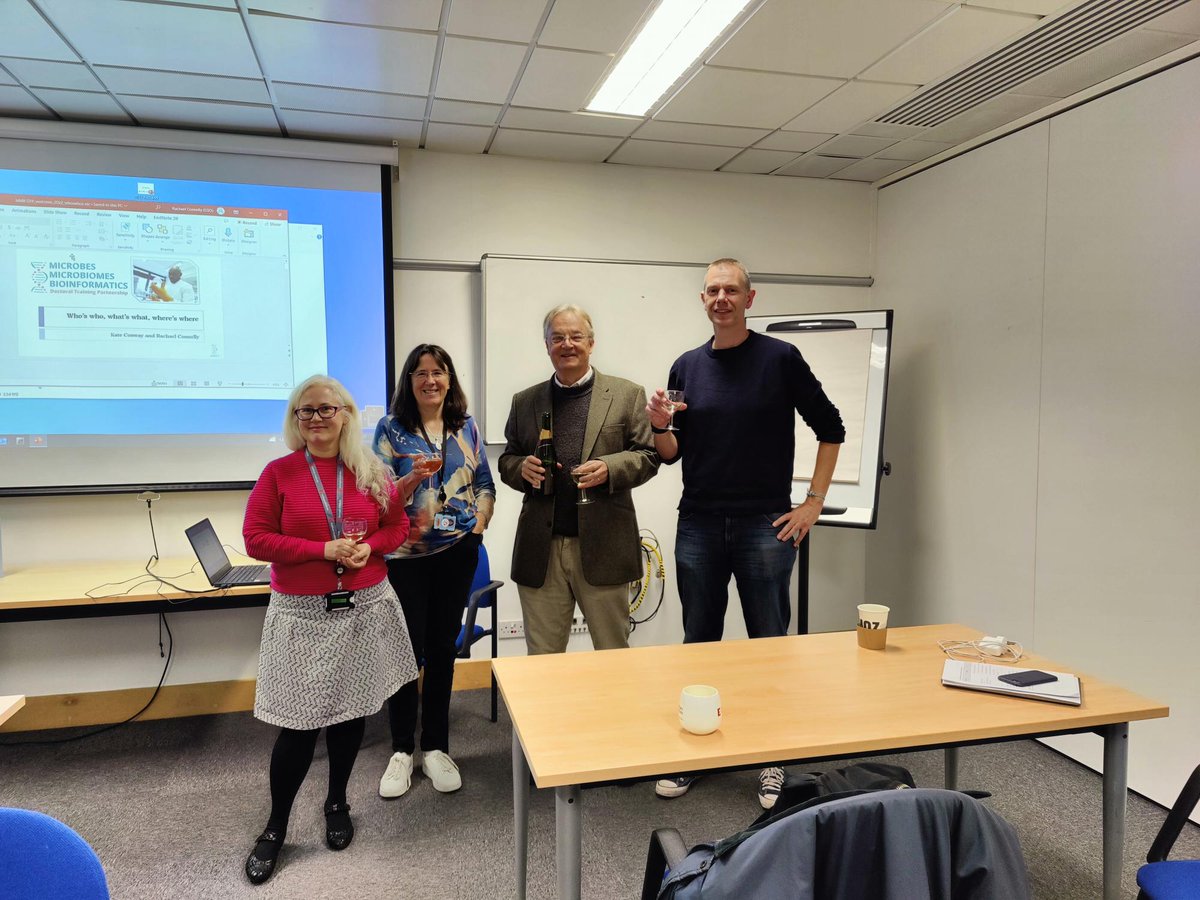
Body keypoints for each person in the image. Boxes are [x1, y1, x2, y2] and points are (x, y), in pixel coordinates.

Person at [647, 258, 845, 809]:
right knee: (699, 642)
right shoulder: (686, 366)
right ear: (703, 299)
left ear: (749, 299)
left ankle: (772, 757)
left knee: (769, 647)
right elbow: (670, 454)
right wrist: (661, 427)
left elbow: (832, 430)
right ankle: (698, 753)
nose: (721, 298)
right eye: (712, 290)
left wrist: (812, 503)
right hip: (699, 522)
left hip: (766, 524)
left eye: (731, 289)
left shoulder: (780, 358)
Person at [241, 374, 418, 885]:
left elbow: (397, 525)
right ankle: (275, 827)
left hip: (364, 605)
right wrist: (321, 550)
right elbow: (255, 538)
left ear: (345, 414)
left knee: (351, 713)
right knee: (297, 725)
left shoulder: (370, 469)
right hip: (302, 615)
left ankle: (337, 800)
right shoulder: (279, 474)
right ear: (296, 420)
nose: (316, 418)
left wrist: (372, 547)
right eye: (306, 411)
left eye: (326, 409)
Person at [498, 304, 659, 654]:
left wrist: (610, 468)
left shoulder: (626, 394)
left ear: (591, 342)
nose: (567, 344)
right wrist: (519, 469)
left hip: (605, 548)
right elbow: (507, 458)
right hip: (542, 550)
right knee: (543, 660)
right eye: (558, 337)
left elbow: (648, 456)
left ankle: (613, 713)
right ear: (546, 345)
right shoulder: (524, 401)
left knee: (612, 653)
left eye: (576, 336)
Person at [372, 344, 496, 799]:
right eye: (420, 372)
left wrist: (478, 526)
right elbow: (378, 492)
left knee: (443, 648)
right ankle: (402, 750)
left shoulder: (465, 426)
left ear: (449, 379)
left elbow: (484, 482)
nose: (430, 380)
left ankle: (436, 747)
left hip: (457, 553)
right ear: (409, 380)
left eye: (438, 372)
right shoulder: (390, 429)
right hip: (406, 556)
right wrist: (409, 480)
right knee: (406, 652)